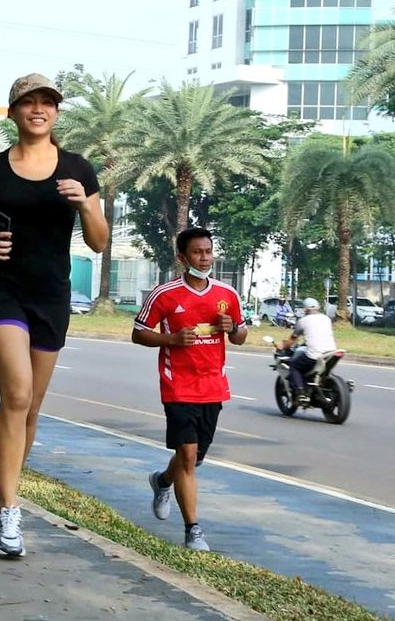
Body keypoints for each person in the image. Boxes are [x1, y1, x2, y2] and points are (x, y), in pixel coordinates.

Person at [0, 73, 108, 558]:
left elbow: (100, 241)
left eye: (48, 103)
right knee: (16, 395)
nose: (38, 110)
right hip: (3, 293)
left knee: (31, 408)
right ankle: (10, 513)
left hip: (52, 297)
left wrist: (85, 206)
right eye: (29, 103)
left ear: (56, 113)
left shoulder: (78, 170)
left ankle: (3, 486)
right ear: (15, 112)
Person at [133, 227, 246, 553]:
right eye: (198, 252)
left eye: (208, 251)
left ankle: (162, 481)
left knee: (193, 460)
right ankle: (193, 530)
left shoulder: (227, 294)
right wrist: (171, 339)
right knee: (187, 455)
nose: (205, 258)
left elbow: (240, 336)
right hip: (178, 385)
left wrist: (234, 328)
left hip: (213, 386)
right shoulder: (164, 294)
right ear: (182, 257)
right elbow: (139, 333)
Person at [280, 297, 337, 403]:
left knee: (294, 366)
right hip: (331, 351)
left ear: (305, 309)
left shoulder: (303, 321)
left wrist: (282, 346)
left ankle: (301, 393)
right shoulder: (326, 318)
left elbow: (292, 339)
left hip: (315, 354)